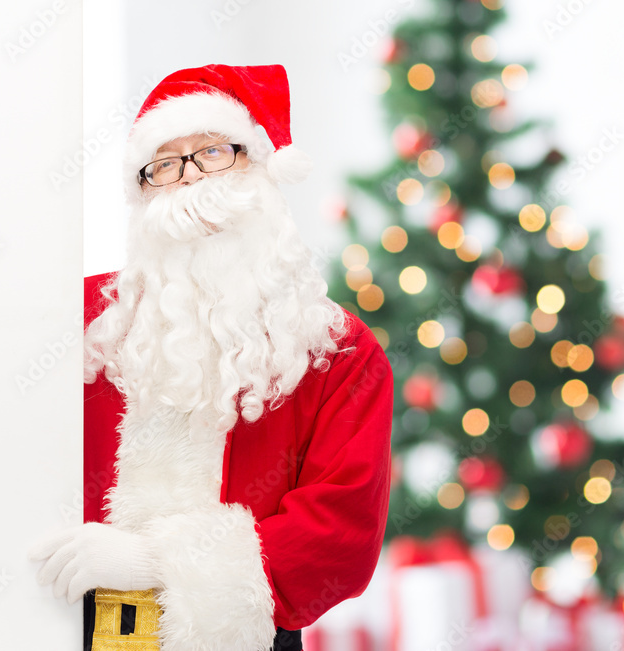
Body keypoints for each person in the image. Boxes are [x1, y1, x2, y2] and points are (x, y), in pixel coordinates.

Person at [29, 64, 393, 651]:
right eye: (166, 164)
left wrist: (152, 562)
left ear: (259, 168)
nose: (192, 177)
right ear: (143, 192)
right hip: (62, 625)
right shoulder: (84, 322)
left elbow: (341, 535)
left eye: (214, 152)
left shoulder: (338, 350)